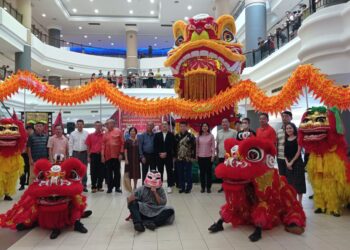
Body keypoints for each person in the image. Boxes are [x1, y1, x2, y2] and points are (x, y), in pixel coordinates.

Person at [284, 122, 306, 203]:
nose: (288, 130)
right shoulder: (285, 140)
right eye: (287, 128)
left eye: (290, 128)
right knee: (291, 183)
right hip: (288, 163)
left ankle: (300, 202)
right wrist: (287, 163)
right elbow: (284, 153)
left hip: (297, 162)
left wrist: (291, 162)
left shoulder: (298, 139)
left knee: (299, 182)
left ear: (294, 129)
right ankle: (294, 201)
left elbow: (298, 152)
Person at [102, 119, 124, 193]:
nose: (108, 125)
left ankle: (117, 187)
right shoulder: (105, 133)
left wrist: (121, 153)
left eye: (109, 124)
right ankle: (110, 187)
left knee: (117, 172)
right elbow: (103, 145)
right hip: (108, 156)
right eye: (107, 124)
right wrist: (102, 156)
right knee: (108, 173)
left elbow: (122, 143)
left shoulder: (118, 131)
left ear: (113, 124)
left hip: (117, 156)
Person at [154, 121, 175, 193]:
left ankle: (169, 186)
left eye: (166, 124)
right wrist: (160, 154)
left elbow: (173, 146)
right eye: (163, 124)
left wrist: (166, 153)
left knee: (169, 171)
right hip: (159, 157)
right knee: (160, 172)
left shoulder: (171, 135)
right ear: (161, 126)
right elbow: (155, 146)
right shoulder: (157, 135)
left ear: (168, 126)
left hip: (168, 156)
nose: (164, 126)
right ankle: (160, 186)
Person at [216, 118, 237, 193]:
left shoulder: (234, 132)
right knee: (223, 172)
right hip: (221, 155)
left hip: (230, 156)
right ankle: (223, 186)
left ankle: (230, 186)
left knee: (230, 171)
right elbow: (217, 144)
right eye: (223, 122)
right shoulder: (219, 132)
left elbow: (236, 144)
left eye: (226, 122)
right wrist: (217, 154)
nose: (224, 123)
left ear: (229, 123)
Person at [174, 121, 196, 194]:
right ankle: (182, 187)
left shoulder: (191, 136)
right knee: (180, 173)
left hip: (188, 158)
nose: (182, 128)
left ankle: (188, 188)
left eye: (184, 126)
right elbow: (174, 148)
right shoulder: (177, 136)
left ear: (187, 127)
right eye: (181, 126)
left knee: (188, 173)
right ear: (179, 127)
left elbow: (194, 147)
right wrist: (174, 156)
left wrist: (193, 156)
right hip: (179, 158)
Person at [69, 119, 89, 192]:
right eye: (78, 124)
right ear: (76, 125)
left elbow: (88, 145)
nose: (80, 125)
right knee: (74, 170)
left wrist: (88, 155)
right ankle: (75, 185)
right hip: (75, 153)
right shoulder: (72, 134)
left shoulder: (87, 133)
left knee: (84, 169)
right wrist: (71, 155)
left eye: (81, 124)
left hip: (84, 153)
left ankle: (84, 185)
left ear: (83, 125)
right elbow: (70, 144)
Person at [86, 121, 105, 193]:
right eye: (96, 125)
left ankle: (100, 186)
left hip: (102, 155)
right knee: (93, 171)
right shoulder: (90, 135)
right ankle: (93, 186)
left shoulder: (104, 135)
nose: (98, 127)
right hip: (93, 155)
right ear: (94, 126)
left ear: (101, 127)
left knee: (101, 171)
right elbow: (88, 147)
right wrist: (88, 156)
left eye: (99, 126)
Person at [196, 123, 215, 193]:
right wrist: (196, 155)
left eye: (206, 126)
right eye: (203, 126)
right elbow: (197, 147)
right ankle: (203, 187)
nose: (204, 127)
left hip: (209, 157)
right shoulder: (198, 136)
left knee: (209, 173)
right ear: (201, 127)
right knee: (202, 173)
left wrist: (213, 156)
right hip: (200, 157)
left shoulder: (211, 136)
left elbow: (213, 147)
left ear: (208, 127)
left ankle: (209, 187)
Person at [277, 111, 293, 177]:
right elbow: (277, 144)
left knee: (291, 179)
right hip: (280, 158)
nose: (284, 118)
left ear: (291, 118)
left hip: (290, 159)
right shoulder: (279, 131)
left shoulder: (294, 130)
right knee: (282, 179)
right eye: (283, 116)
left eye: (286, 116)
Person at [19, 125, 34, 190]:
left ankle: (29, 184)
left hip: (31, 155)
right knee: (23, 171)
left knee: (30, 171)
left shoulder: (34, 137)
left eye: (30, 129)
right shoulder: (22, 137)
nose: (29, 131)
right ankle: (22, 184)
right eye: (27, 129)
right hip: (23, 155)